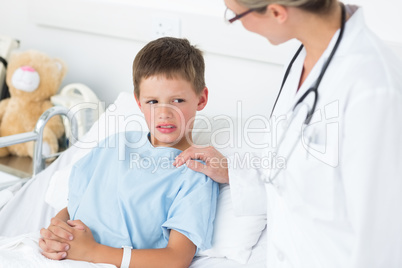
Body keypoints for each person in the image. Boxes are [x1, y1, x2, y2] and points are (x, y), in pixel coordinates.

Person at [174, 0, 402, 267]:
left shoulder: (373, 88)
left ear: (276, 12)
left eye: (236, 16)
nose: (239, 24)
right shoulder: (303, 61)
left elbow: (381, 241)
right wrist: (232, 173)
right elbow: (298, 181)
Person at [39, 37, 219, 268]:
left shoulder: (195, 173)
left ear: (201, 99)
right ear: (138, 101)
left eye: (178, 100)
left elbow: (176, 258)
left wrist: (93, 252)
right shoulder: (115, 145)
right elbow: (76, 204)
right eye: (153, 101)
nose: (164, 113)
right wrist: (57, 229)